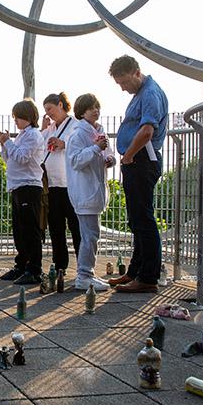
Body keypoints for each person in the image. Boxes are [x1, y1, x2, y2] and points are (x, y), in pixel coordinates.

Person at [108, 55, 168, 293]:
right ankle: (135, 271)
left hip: (142, 159)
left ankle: (148, 277)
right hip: (136, 159)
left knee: (143, 219)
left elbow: (146, 130)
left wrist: (129, 154)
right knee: (137, 219)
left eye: (123, 82)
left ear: (136, 72)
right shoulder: (141, 94)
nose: (123, 88)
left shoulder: (151, 93)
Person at [65, 93, 115, 292]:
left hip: (95, 192)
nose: (96, 110)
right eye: (90, 107)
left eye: (97, 106)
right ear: (81, 111)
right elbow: (75, 161)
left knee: (92, 235)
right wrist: (95, 148)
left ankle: (87, 273)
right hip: (85, 192)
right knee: (89, 236)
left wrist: (110, 159)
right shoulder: (78, 134)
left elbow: (107, 155)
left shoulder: (99, 132)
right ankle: (84, 275)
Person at [0, 99, 46, 285]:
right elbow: (8, 158)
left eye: (18, 117)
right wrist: (5, 144)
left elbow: (23, 157)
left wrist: (8, 142)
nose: (15, 120)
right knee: (19, 229)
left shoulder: (33, 135)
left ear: (28, 117)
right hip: (17, 186)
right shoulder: (21, 136)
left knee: (29, 229)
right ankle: (22, 264)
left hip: (29, 185)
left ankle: (34, 269)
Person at [41, 92, 81, 273]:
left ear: (60, 104)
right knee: (56, 227)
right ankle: (60, 265)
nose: (48, 113)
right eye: (46, 111)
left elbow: (82, 145)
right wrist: (43, 129)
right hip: (53, 184)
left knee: (76, 226)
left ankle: (84, 264)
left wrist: (63, 144)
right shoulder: (50, 128)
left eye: (50, 108)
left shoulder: (76, 125)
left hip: (70, 183)